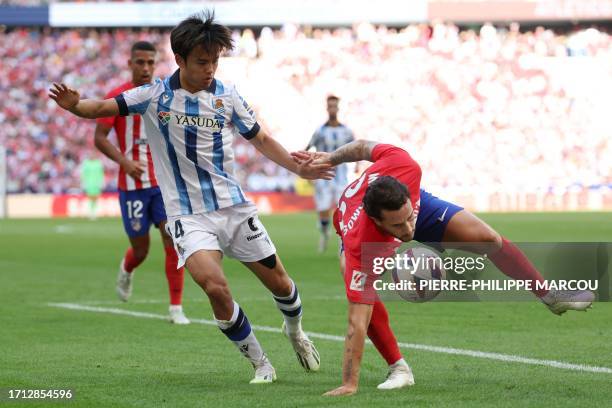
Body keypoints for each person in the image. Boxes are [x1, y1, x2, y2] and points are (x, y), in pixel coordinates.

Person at [49, 11, 332, 384]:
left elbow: (260, 138)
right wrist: (75, 105)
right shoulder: (153, 96)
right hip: (187, 215)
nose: (210, 68)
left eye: (215, 61)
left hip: (233, 207)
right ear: (180, 59)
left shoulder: (227, 96)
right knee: (214, 286)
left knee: (280, 283)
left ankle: (294, 331)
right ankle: (261, 363)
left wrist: (298, 168)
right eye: (202, 61)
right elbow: (101, 108)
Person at [292, 140, 595, 396]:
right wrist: (350, 383)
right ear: (379, 223)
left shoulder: (405, 166)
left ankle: (549, 296)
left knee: (488, 238)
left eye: (409, 219)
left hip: (409, 203)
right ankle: (398, 367)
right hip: (352, 229)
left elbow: (360, 147)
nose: (409, 230)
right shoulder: (363, 243)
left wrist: (330, 157)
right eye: (398, 225)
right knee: (362, 297)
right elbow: (355, 323)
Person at [94, 41, 189, 324]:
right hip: (132, 187)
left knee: (173, 239)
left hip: (163, 185)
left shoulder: (166, 95)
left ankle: (176, 308)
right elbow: (99, 138)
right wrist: (124, 162)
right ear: (130, 64)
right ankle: (127, 268)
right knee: (141, 250)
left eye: (151, 62)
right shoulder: (116, 97)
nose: (146, 68)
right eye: (140, 62)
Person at [305, 95, 354, 253]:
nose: (332, 109)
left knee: (344, 209)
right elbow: (307, 148)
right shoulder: (320, 131)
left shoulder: (346, 131)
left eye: (335, 106)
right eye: (330, 106)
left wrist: (358, 165)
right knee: (324, 208)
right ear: (327, 108)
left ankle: (343, 240)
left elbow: (355, 148)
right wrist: (308, 168)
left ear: (338, 108)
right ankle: (325, 234)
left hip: (341, 177)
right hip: (323, 176)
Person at [80, 155, 104, 220]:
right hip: (89, 184)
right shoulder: (86, 163)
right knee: (90, 198)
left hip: (96, 184)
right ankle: (90, 212)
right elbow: (83, 174)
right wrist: (83, 183)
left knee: (95, 198)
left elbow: (101, 173)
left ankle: (94, 212)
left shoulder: (98, 163)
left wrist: (101, 183)